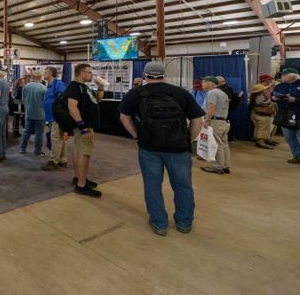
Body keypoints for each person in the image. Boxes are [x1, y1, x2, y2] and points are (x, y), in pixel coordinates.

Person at [119, 62, 205, 236]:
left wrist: (137, 136)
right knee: (183, 186)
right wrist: (187, 139)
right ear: (164, 74)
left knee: (152, 185)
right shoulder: (180, 93)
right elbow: (197, 121)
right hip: (179, 149)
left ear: (145, 75)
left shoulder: (135, 94)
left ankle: (159, 223)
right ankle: (184, 223)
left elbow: (124, 117)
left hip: (149, 148)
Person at [66, 63, 104, 197]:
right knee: (85, 153)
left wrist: (100, 88)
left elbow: (97, 100)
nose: (91, 75)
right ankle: (81, 185)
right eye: (89, 72)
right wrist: (82, 126)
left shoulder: (84, 87)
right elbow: (72, 107)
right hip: (84, 125)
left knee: (79, 150)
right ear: (81, 73)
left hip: (86, 124)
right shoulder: (75, 87)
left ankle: (79, 178)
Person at [200, 76, 231, 175]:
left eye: (204, 82)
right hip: (223, 121)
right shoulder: (223, 93)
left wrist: (207, 120)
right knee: (224, 144)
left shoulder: (212, 92)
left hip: (215, 121)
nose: (202, 84)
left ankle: (217, 167)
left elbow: (211, 106)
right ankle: (225, 165)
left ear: (210, 83)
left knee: (216, 144)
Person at [272, 68, 300, 163]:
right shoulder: (280, 86)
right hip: (285, 113)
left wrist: (296, 100)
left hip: (298, 113)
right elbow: (272, 95)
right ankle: (297, 156)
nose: (282, 76)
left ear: (292, 75)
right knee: (289, 136)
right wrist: (274, 98)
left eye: (284, 75)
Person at [41, 67, 67, 170]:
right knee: (60, 138)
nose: (44, 73)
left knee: (55, 138)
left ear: (51, 74)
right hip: (51, 115)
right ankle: (63, 159)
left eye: (45, 72)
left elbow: (62, 97)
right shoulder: (49, 85)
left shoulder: (58, 83)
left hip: (56, 115)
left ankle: (54, 161)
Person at [20, 71, 47, 156]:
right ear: (40, 77)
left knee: (26, 131)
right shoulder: (43, 88)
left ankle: (22, 148)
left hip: (29, 112)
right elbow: (45, 102)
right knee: (39, 133)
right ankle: (37, 151)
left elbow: (23, 100)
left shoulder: (26, 87)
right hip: (40, 113)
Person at [250, 83, 276, 149]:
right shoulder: (260, 96)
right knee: (262, 128)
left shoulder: (255, 95)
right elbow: (259, 103)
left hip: (257, 113)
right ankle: (261, 142)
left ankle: (260, 141)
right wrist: (268, 102)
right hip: (261, 114)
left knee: (259, 128)